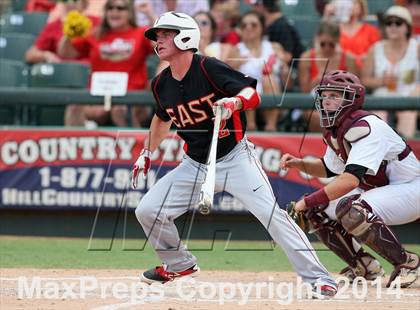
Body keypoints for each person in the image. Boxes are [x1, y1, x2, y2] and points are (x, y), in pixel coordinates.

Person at [131, 11, 338, 297]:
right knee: (148, 210)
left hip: (235, 158)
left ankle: (319, 278)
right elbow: (161, 118)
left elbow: (253, 94)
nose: (158, 40)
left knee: (272, 215)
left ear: (186, 37)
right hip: (195, 164)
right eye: (157, 35)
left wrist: (234, 102)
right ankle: (178, 263)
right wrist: (146, 151)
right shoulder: (161, 83)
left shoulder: (208, 68)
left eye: (166, 34)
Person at [280, 70, 420, 288]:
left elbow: (350, 181)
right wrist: (299, 164)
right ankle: (365, 267)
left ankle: (408, 263)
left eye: (335, 95)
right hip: (385, 190)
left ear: (352, 100)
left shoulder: (367, 127)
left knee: (352, 209)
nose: (327, 101)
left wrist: (303, 202)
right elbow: (329, 169)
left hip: (412, 189)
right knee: (315, 211)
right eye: (325, 95)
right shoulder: (335, 129)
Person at [58, 0, 154, 127]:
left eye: (120, 8)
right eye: (110, 8)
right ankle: (78, 145)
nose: (114, 11)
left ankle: (136, 146)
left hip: (131, 98)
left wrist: (150, 16)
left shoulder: (141, 33)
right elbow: (66, 54)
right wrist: (69, 32)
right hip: (98, 96)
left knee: (120, 110)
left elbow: (162, 45)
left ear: (130, 12)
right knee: (74, 107)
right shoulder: (95, 34)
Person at [362, 5, 419, 138]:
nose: (393, 26)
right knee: (379, 115)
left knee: (408, 113)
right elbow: (364, 79)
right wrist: (381, 81)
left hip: (410, 97)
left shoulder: (416, 48)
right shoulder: (375, 49)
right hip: (382, 96)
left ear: (407, 27)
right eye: (389, 23)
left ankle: (405, 151)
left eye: (398, 23)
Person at [298, 21, 358, 132]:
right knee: (318, 117)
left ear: (337, 41)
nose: (327, 48)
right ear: (317, 40)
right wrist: (317, 80)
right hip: (314, 102)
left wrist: (337, 81)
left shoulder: (348, 59)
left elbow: (355, 89)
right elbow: (304, 91)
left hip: (341, 102)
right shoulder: (307, 58)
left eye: (331, 45)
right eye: (323, 44)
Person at [236, 11, 288, 131]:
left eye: (253, 25)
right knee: (246, 81)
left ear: (262, 28)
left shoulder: (274, 47)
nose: (249, 28)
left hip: (273, 95)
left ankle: (271, 126)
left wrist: (284, 68)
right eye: (244, 25)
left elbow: (287, 80)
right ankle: (250, 125)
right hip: (246, 101)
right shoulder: (235, 50)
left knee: (267, 78)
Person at [25, 0, 100, 64]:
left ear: (84, 4)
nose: (71, 3)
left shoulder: (96, 23)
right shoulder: (54, 26)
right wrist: (45, 55)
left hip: (89, 72)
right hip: (63, 71)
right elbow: (30, 54)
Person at [252, 0, 303, 64]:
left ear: (262, 6)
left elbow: (287, 56)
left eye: (255, 5)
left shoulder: (281, 26)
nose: (253, 9)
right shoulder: (275, 24)